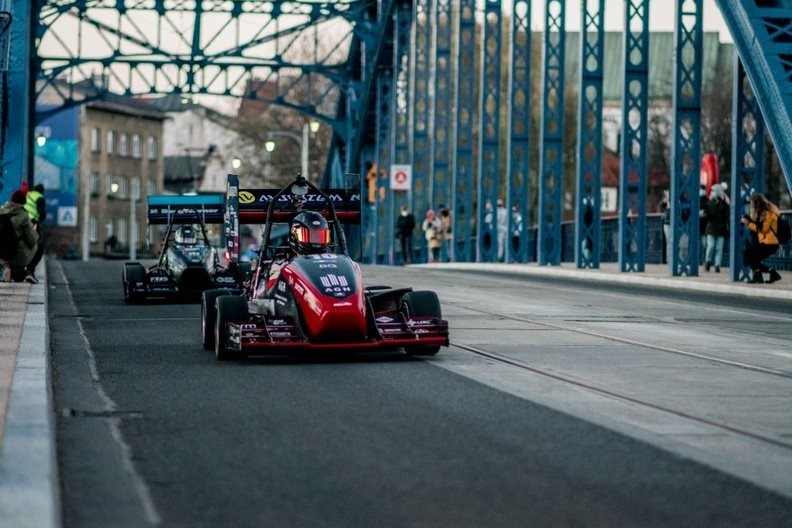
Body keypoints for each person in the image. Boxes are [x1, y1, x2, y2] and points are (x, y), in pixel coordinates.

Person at [741, 193, 782, 284]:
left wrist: (748, 224)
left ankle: (766, 273)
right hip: (767, 242)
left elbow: (763, 229)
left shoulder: (768, 214)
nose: (751, 206)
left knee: (747, 253)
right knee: (752, 258)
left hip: (770, 243)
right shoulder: (764, 213)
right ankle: (768, 274)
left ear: (757, 203)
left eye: (752, 204)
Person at [0, 190, 39, 283]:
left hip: (1, 256)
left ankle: (7, 268)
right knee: (38, 246)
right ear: (22, 203)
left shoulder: (1, 211)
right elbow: (32, 241)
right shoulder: (23, 216)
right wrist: (34, 231)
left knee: (18, 277)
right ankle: (30, 271)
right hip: (17, 256)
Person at [703, 184, 729, 272]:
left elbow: (726, 213)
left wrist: (723, 199)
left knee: (719, 248)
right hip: (711, 228)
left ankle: (717, 265)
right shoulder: (710, 203)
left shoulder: (724, 203)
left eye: (713, 191)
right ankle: (708, 261)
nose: (712, 193)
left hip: (721, 229)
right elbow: (709, 213)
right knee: (711, 246)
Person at [23, 183, 45, 282]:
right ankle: (30, 271)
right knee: (38, 245)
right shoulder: (40, 197)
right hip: (32, 223)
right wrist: (38, 222)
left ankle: (16, 271)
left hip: (22, 221)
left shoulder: (28, 194)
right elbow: (42, 214)